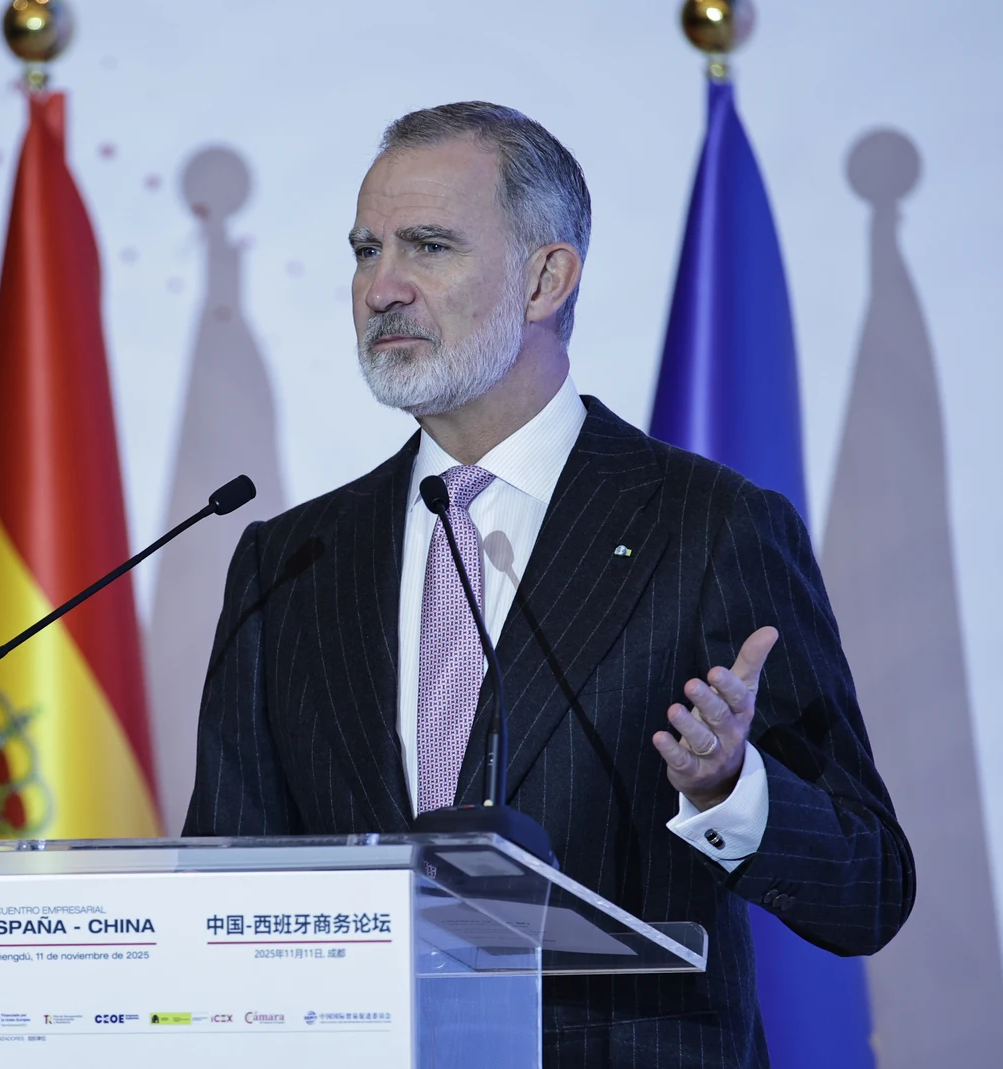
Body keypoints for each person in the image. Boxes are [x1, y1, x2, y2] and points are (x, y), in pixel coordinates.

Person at [182, 101, 913, 1068]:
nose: (380, 287)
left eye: (428, 246)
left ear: (546, 278)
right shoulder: (290, 560)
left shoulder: (705, 526)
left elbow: (866, 886)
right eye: (366, 250)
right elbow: (226, 892)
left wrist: (734, 787)